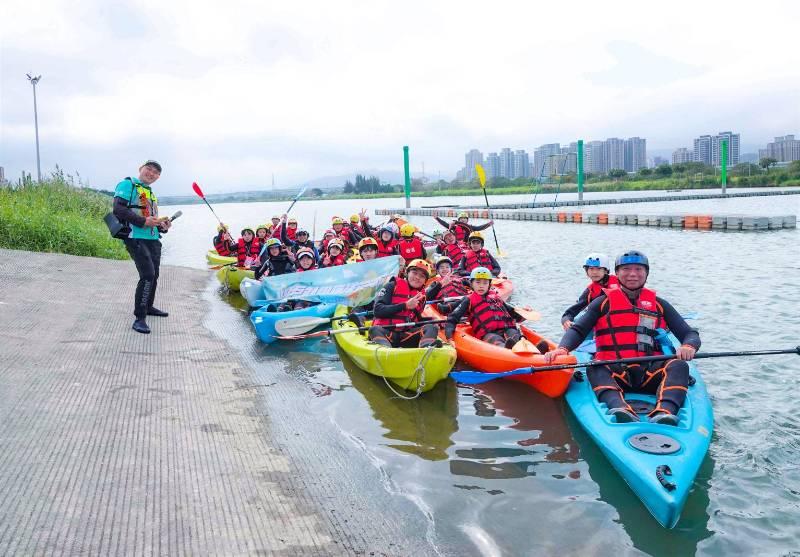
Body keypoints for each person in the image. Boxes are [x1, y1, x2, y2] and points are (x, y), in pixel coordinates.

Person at [544, 251, 700, 426]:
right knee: (594, 366)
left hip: (650, 371)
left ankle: (665, 412)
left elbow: (689, 333)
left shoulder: (658, 304)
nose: (632, 274)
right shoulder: (602, 303)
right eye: (626, 269)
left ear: (646, 273)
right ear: (616, 274)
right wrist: (562, 348)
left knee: (678, 365)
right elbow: (579, 330)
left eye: (638, 269)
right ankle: (620, 409)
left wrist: (688, 345)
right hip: (615, 371)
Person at [112, 160, 171, 334]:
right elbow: (118, 209)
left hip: (152, 239)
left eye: (156, 172)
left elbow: (152, 220)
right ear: (141, 169)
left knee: (155, 275)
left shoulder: (150, 193)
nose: (151, 173)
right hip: (134, 237)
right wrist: (143, 221)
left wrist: (163, 227)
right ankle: (139, 318)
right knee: (147, 275)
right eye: (149, 169)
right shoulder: (127, 184)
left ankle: (149, 306)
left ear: (158, 177)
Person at [445, 267, 527, 348]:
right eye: (478, 282)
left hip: (507, 328)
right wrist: (449, 337)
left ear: (489, 285)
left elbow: (511, 312)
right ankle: (507, 349)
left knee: (515, 335)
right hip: (488, 333)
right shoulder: (468, 300)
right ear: (471, 284)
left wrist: (525, 313)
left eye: (485, 283)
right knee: (496, 340)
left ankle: (531, 349)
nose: (481, 286)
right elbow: (453, 318)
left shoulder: (495, 297)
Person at [368, 259, 440, 348]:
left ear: (425, 281)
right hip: (386, 333)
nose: (417, 277)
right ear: (407, 273)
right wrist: (405, 305)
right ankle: (385, 350)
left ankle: (427, 348)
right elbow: (377, 311)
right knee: (374, 329)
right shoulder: (391, 285)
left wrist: (432, 321)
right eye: (414, 273)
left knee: (431, 327)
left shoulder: (421, 297)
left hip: (405, 336)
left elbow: (416, 320)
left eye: (422, 276)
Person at [561, 253, 620, 330]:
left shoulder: (619, 281)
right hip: (604, 325)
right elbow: (572, 311)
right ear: (587, 271)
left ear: (605, 271)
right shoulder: (590, 291)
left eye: (598, 269)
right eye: (591, 269)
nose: (594, 272)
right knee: (576, 321)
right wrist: (566, 320)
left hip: (622, 319)